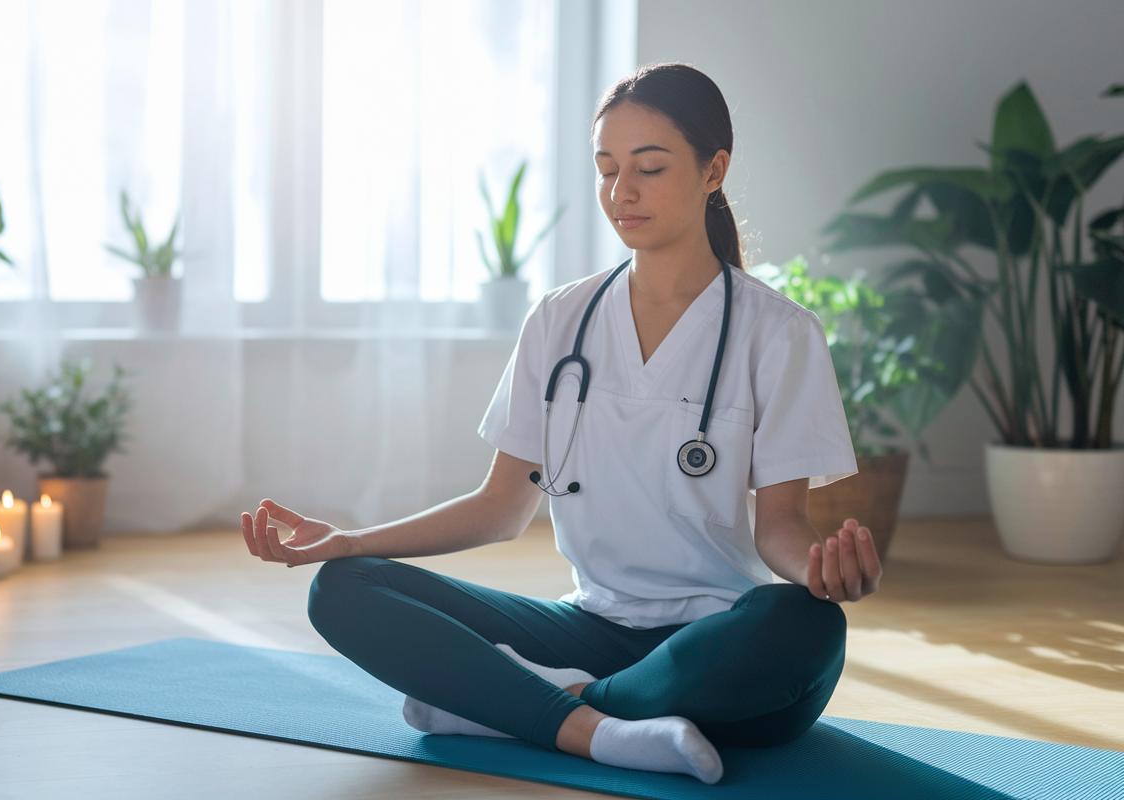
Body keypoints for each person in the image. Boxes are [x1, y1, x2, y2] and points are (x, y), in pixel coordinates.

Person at [241, 62, 881, 786]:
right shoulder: (560, 318)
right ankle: (597, 728)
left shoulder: (780, 334)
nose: (621, 192)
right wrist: (352, 540)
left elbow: (779, 529)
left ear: (714, 170)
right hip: (588, 627)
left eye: (649, 167)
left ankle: (528, 705)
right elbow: (500, 508)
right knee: (344, 587)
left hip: (713, 640)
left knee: (805, 627)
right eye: (607, 169)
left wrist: (820, 573)